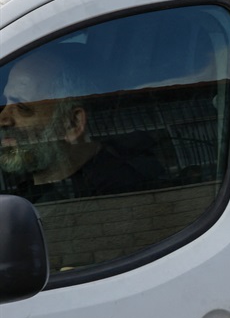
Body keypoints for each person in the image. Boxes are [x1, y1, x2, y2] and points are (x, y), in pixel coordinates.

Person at [0, 45, 157, 203]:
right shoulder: (32, 191)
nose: (2, 119)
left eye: (21, 106)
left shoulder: (119, 195)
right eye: (5, 103)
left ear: (73, 123)